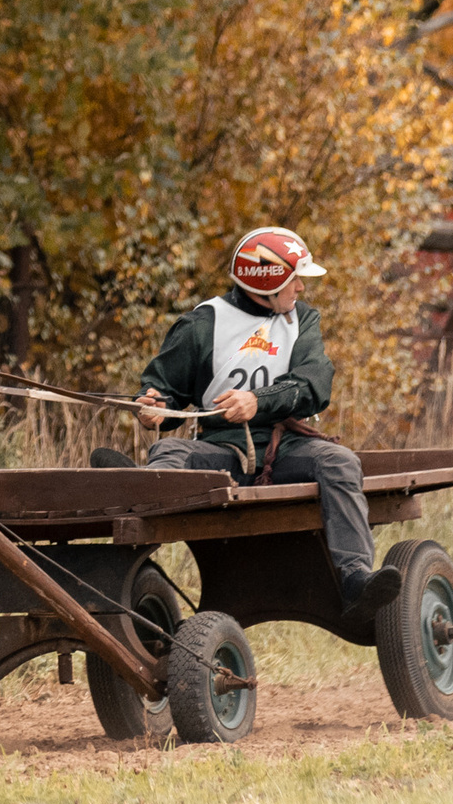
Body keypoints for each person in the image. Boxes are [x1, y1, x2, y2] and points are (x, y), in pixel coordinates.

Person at [102, 226, 403, 619]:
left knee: (340, 461)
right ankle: (135, 503)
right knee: (168, 449)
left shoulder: (303, 321)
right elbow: (164, 388)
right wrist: (155, 406)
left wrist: (256, 402)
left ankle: (355, 579)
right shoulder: (202, 323)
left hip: (287, 448)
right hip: (222, 449)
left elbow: (314, 384)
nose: (300, 290)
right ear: (269, 280)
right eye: (295, 280)